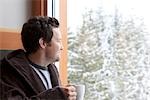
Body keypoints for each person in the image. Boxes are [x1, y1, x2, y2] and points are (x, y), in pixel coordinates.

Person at [0, 16, 77, 100]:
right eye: (58, 41)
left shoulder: (52, 69)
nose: (62, 47)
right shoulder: (8, 72)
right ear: (43, 43)